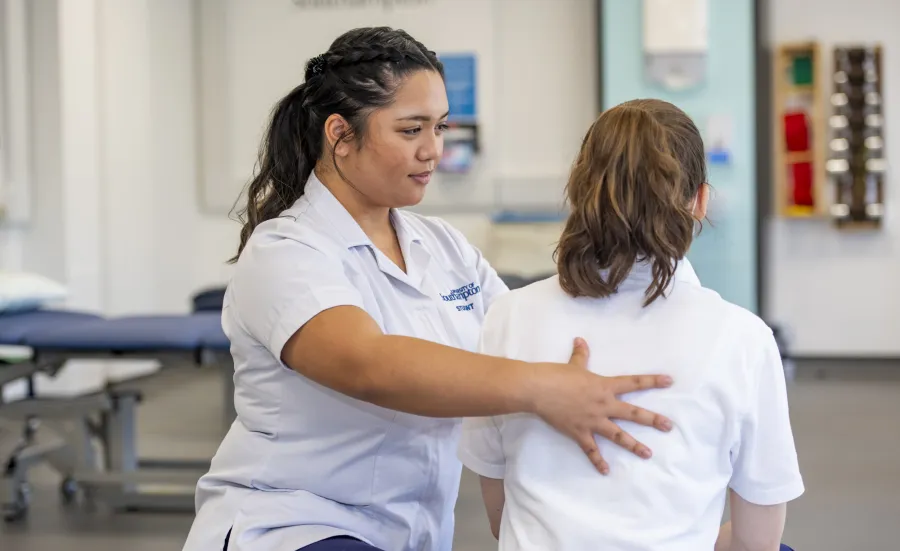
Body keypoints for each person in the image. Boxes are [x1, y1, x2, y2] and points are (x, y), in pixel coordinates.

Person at [181, 28, 678, 551]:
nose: (433, 150)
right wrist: (544, 387)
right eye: (411, 129)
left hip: (409, 532)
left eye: (440, 127)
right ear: (340, 135)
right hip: (295, 522)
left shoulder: (442, 246)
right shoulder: (284, 250)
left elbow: (519, 332)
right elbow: (368, 364)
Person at [458, 99, 805, 551]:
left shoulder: (507, 315)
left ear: (580, 191)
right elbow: (757, 542)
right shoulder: (742, 338)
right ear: (700, 201)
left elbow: (500, 513)